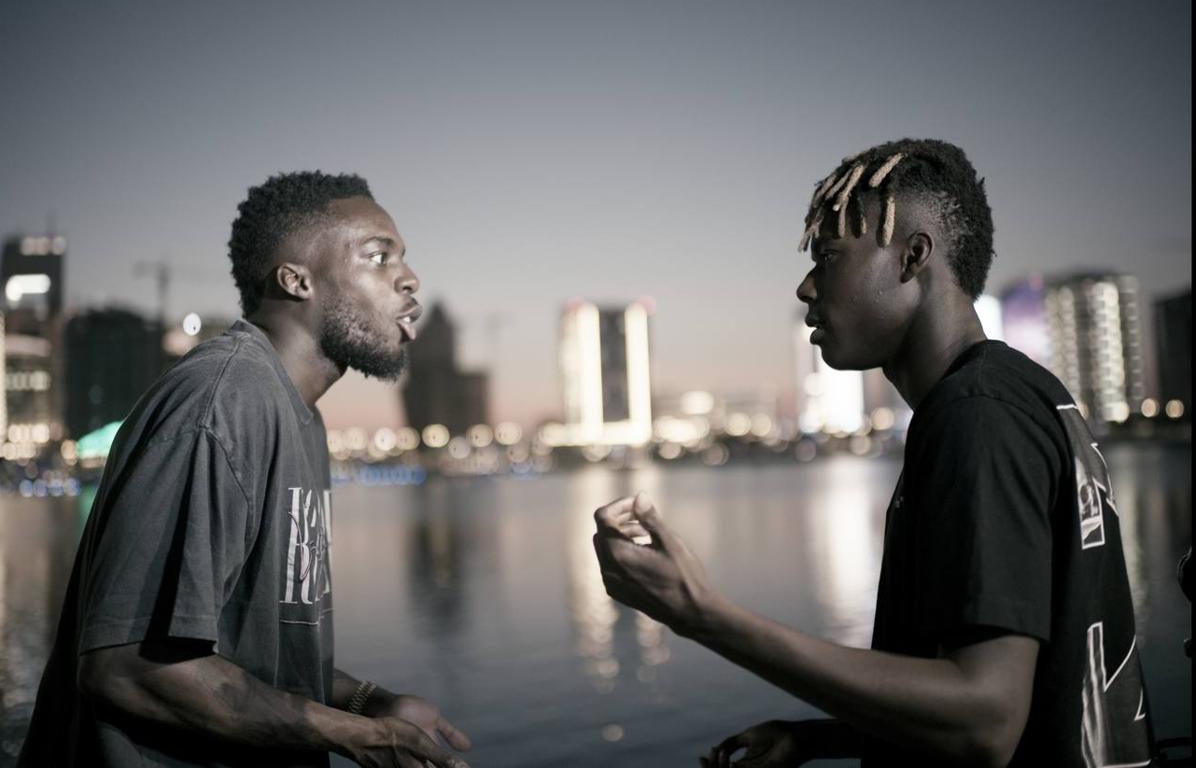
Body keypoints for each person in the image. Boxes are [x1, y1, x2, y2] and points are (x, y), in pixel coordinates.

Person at [593, 139, 1154, 767]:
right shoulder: (1016, 391)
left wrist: (702, 614)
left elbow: (986, 720)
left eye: (829, 256)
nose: (806, 287)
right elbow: (1040, 695)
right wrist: (818, 738)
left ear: (913, 258)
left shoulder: (977, 416)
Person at [19, 172, 472, 767]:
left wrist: (368, 703)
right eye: (377, 256)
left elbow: (250, 649)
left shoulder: (297, 416)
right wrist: (355, 737)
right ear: (296, 279)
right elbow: (126, 668)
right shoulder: (223, 401)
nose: (408, 278)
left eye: (403, 259)